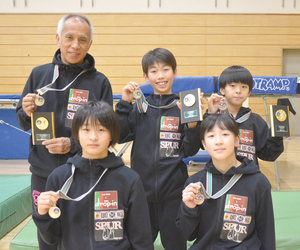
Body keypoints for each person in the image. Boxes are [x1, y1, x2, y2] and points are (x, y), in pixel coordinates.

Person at [16, 14, 113, 249]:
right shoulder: (38, 75)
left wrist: (73, 144)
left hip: (84, 172)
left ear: (90, 44)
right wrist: (26, 111)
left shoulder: (99, 82)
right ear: (58, 38)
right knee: (47, 233)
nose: (75, 45)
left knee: (82, 232)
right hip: (43, 173)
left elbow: (107, 131)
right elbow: (22, 121)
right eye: (69, 37)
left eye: (82, 39)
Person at [32, 101, 154, 250]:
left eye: (101, 129)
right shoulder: (58, 178)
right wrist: (42, 215)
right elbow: (52, 238)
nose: (93, 137)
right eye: (86, 129)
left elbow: (141, 238)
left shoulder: (130, 180)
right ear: (77, 133)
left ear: (112, 134)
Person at [115, 48, 202, 250]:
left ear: (175, 72)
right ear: (145, 76)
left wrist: (192, 124)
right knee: (138, 244)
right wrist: (124, 103)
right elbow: (120, 136)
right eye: (153, 71)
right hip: (141, 194)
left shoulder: (184, 106)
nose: (160, 76)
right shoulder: (139, 106)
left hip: (173, 193)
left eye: (166, 69)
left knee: (175, 245)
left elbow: (190, 150)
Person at [176, 114, 275, 249]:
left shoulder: (258, 182)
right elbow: (188, 234)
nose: (218, 141)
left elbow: (266, 234)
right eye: (211, 136)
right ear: (204, 144)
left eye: (225, 134)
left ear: (236, 140)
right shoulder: (195, 183)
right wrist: (189, 209)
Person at [205, 65, 283, 166]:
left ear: (249, 92)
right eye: (233, 86)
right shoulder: (213, 117)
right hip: (221, 177)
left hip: (249, 178)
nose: (238, 91)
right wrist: (210, 114)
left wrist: (277, 135)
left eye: (244, 87)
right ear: (222, 90)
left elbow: (268, 154)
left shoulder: (256, 121)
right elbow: (200, 144)